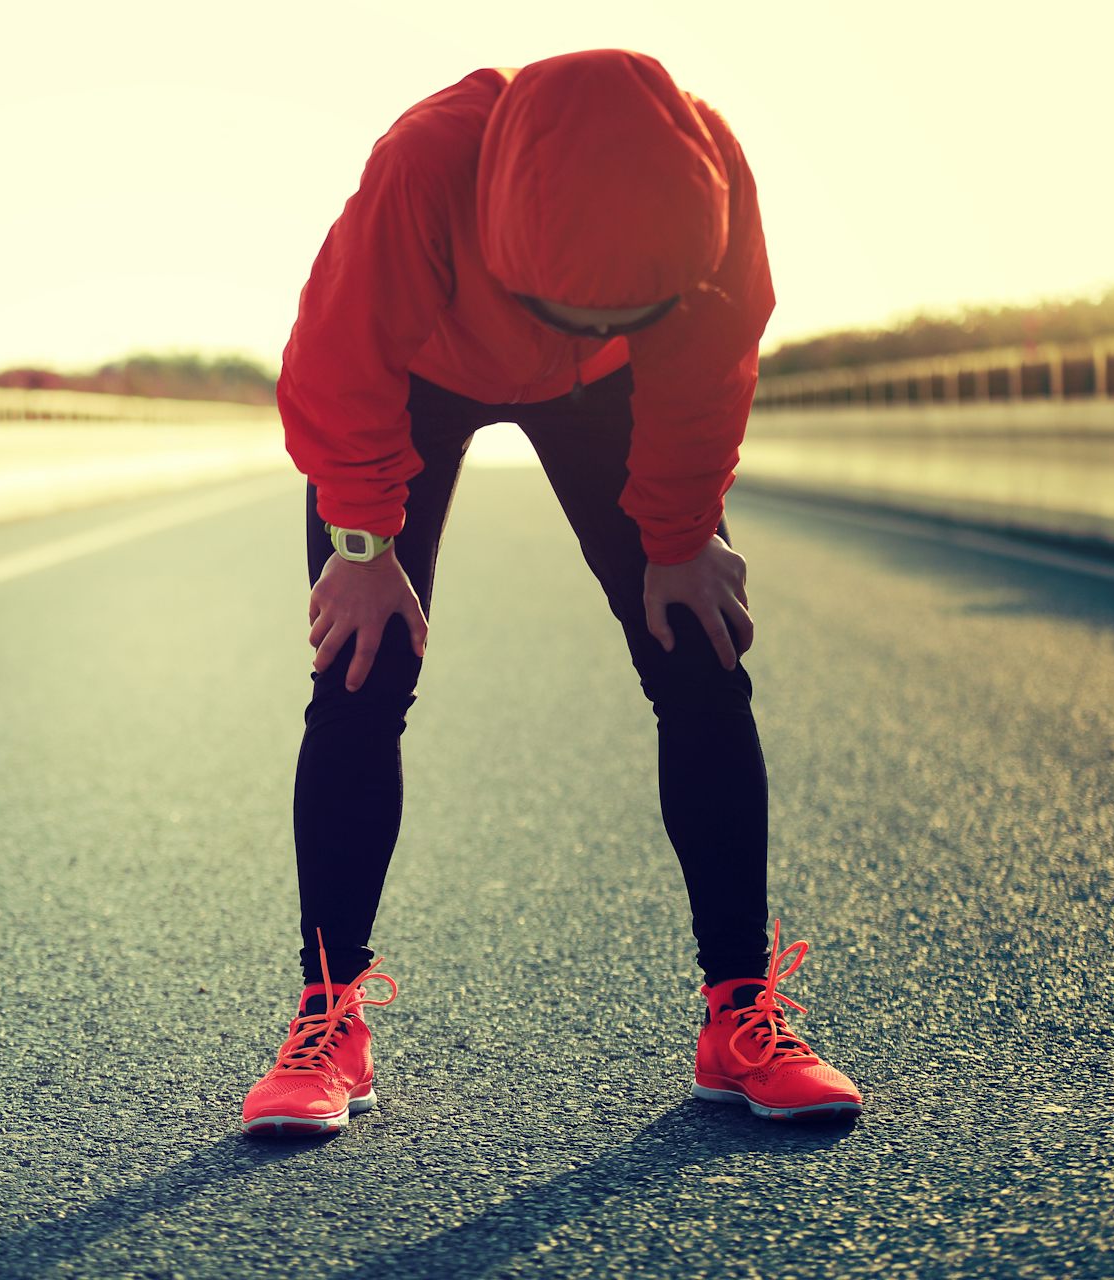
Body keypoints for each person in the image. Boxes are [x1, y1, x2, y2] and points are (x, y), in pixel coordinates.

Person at [241, 48, 862, 1137]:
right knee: (359, 668)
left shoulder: (711, 179)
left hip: (611, 392)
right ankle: (328, 1018)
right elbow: (336, 363)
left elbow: (711, 364)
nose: (575, 328)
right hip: (419, 376)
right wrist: (361, 542)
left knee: (700, 652)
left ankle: (740, 1011)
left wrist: (677, 536)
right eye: (568, 312)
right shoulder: (424, 166)